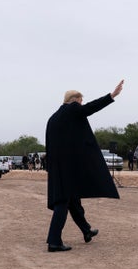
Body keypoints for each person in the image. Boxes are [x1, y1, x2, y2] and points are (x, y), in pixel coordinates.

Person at [45, 80, 124, 252]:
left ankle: (86, 230)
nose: (81, 104)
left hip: (57, 168)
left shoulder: (53, 118)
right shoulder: (72, 109)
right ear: (75, 100)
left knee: (72, 201)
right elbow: (90, 108)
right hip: (66, 169)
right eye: (81, 101)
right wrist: (111, 96)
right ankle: (54, 241)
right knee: (62, 202)